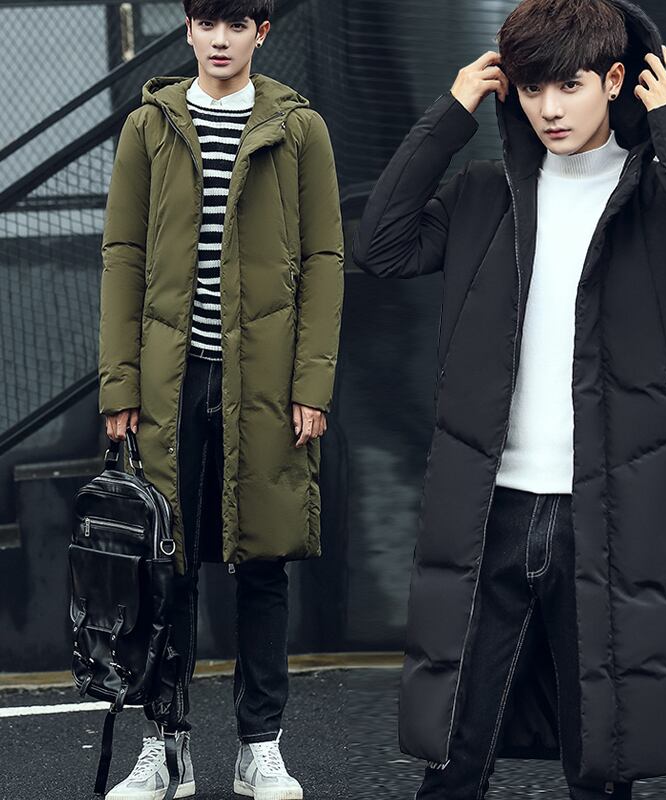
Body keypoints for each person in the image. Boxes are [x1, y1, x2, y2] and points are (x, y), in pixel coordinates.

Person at [353, 0, 666, 798]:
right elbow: (381, 245)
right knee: (453, 758)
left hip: (603, 518)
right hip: (489, 510)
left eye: (569, 85)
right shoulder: (482, 194)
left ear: (613, 80)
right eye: (531, 88)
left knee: (601, 761)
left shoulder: (649, 200)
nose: (550, 108)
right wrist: (450, 114)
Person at [97, 0, 344, 797]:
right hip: (170, 382)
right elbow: (123, 254)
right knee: (165, 573)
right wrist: (120, 382)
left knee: (262, 565)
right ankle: (165, 748)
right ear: (188, 28)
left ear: (261, 33)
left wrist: (311, 383)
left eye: (237, 25)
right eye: (207, 23)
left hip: (264, 383)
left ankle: (259, 747)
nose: (220, 40)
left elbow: (326, 258)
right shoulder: (149, 127)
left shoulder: (300, 129)